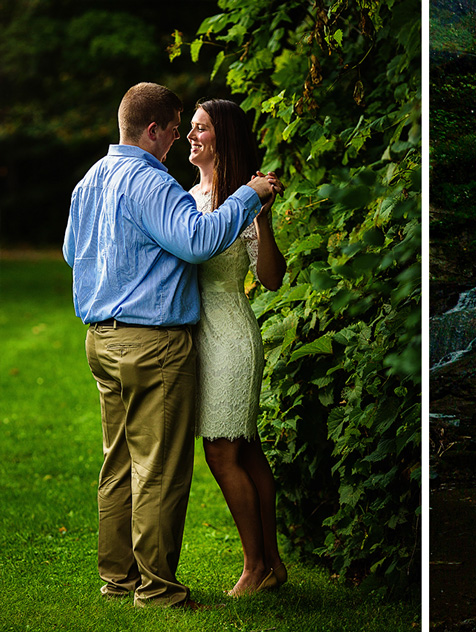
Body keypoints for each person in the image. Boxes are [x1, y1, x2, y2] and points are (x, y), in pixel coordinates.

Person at [62, 82, 278, 609]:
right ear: (153, 130)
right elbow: (201, 241)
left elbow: (73, 253)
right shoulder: (153, 183)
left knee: (117, 464)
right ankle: (157, 589)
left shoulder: (91, 180)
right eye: (177, 127)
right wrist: (251, 195)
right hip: (152, 343)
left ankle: (119, 578)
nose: (181, 137)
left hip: (102, 339)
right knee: (158, 468)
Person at [186, 98, 288, 596]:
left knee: (222, 452)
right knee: (247, 453)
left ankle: (254, 567)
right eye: (190, 128)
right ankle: (273, 564)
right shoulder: (190, 194)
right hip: (198, 334)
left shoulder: (244, 199)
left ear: (221, 137)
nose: (190, 136)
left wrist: (264, 220)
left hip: (231, 335)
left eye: (200, 128)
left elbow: (270, 280)